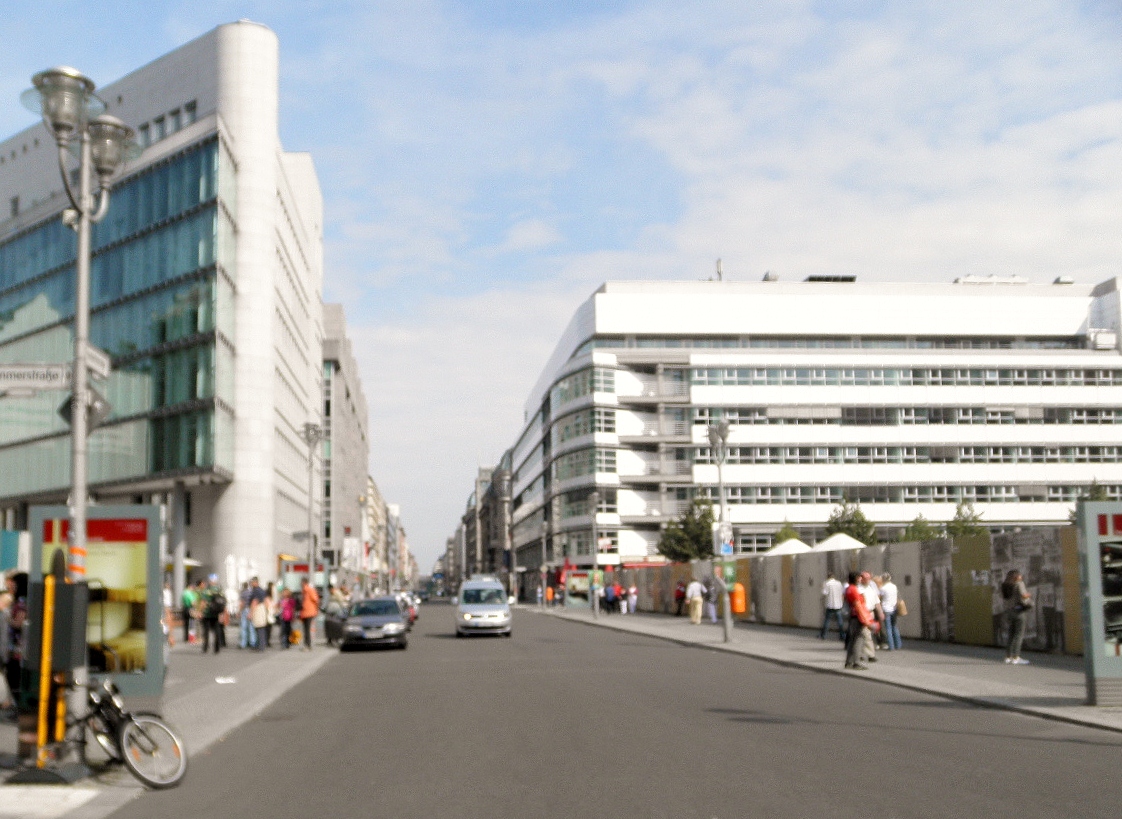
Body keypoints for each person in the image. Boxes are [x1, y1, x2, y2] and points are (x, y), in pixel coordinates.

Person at [844, 571, 875, 670]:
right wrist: (865, 620)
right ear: (856, 578)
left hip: (853, 617)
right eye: (859, 578)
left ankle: (848, 662)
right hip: (858, 617)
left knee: (852, 640)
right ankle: (856, 662)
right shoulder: (854, 590)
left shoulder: (848, 589)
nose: (860, 579)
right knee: (859, 640)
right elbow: (858, 606)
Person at [1001, 570, 1032, 664]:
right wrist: (1029, 595)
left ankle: (1008, 656)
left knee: (1011, 634)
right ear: (1016, 576)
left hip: (1009, 612)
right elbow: (1023, 595)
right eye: (1019, 575)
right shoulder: (1019, 584)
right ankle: (1016, 657)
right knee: (1019, 634)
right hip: (1019, 611)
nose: (1021, 576)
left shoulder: (1005, 585)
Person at [199, 576, 226, 654]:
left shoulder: (206, 591)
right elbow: (223, 603)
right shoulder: (220, 590)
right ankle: (217, 648)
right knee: (217, 631)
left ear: (210, 581)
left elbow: (203, 602)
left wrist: (200, 612)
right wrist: (222, 614)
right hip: (217, 614)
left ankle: (205, 647)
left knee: (206, 631)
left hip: (207, 613)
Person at [858, 571, 880, 662]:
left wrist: (880, 612)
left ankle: (860, 654)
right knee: (866, 634)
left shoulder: (871, 589)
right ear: (861, 579)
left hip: (870, 613)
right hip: (863, 613)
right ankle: (871, 655)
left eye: (869, 578)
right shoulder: (859, 589)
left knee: (865, 634)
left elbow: (877, 602)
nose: (868, 580)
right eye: (866, 578)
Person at [820, 572, 845, 640]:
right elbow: (842, 593)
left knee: (827, 620)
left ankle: (823, 634)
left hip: (830, 604)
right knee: (840, 620)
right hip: (838, 604)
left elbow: (824, 593)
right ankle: (842, 635)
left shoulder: (827, 583)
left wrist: (822, 587)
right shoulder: (839, 583)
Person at [879, 573, 901, 650]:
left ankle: (891, 646)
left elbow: (880, 599)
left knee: (888, 628)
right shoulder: (894, 586)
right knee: (894, 626)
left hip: (886, 609)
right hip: (894, 608)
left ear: (883, 579)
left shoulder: (883, 588)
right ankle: (898, 645)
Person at [300, 576, 320, 650]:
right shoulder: (305, 591)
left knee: (307, 629)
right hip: (306, 612)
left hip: (309, 612)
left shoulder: (309, 590)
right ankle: (307, 644)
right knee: (306, 629)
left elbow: (316, 600)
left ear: (304, 582)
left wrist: (316, 609)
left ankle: (307, 645)